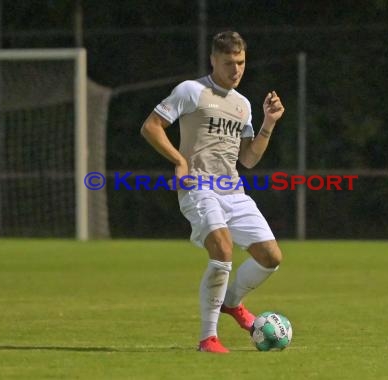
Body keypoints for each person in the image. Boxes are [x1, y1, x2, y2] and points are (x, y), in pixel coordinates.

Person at [140, 31, 285, 353]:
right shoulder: (192, 91)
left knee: (270, 257)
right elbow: (151, 126)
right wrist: (179, 160)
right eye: (229, 63)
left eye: (241, 62)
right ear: (213, 61)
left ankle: (232, 303)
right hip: (198, 187)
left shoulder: (243, 105)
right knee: (222, 249)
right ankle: (209, 338)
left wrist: (269, 123)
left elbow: (248, 158)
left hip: (232, 190)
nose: (236, 70)